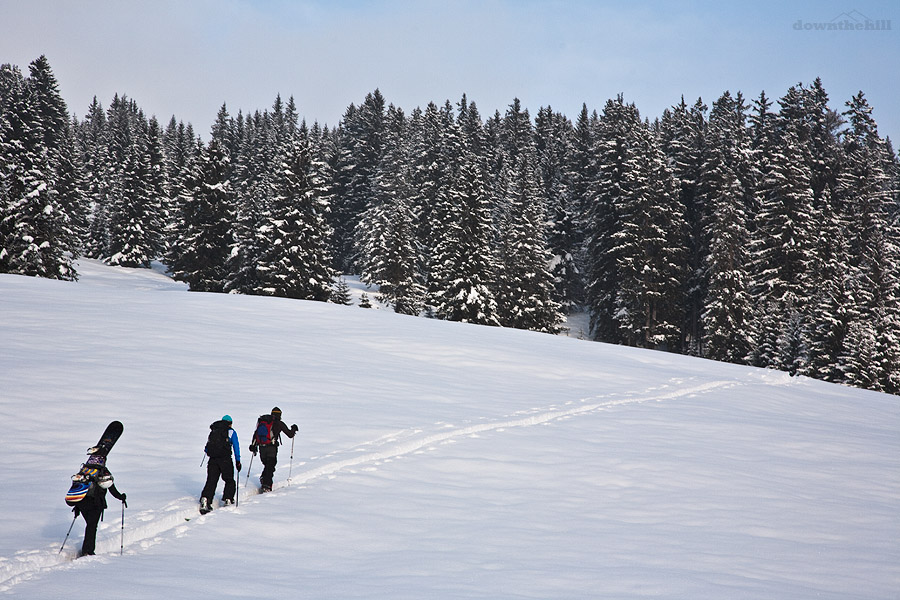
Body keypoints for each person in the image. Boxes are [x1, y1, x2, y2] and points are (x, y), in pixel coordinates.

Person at [73, 465, 126, 557]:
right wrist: (121, 497)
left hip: (82, 504)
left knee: (90, 526)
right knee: (92, 527)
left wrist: (76, 506)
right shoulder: (103, 472)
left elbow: (77, 490)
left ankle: (87, 549)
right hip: (95, 505)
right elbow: (111, 488)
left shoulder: (85, 472)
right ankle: (88, 551)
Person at [200, 415, 241, 514]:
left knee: (211, 480)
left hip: (212, 460)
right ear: (230, 423)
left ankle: (206, 499)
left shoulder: (214, 430)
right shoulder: (231, 432)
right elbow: (236, 446)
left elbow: (207, 448)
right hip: (225, 459)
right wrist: (238, 461)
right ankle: (228, 498)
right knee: (229, 479)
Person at [250, 406, 297, 492]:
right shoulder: (279, 423)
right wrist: (293, 429)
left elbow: (256, 434)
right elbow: (290, 434)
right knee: (270, 466)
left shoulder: (263, 422)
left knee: (267, 464)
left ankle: (264, 479)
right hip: (271, 448)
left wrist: (253, 446)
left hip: (261, 447)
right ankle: (266, 485)